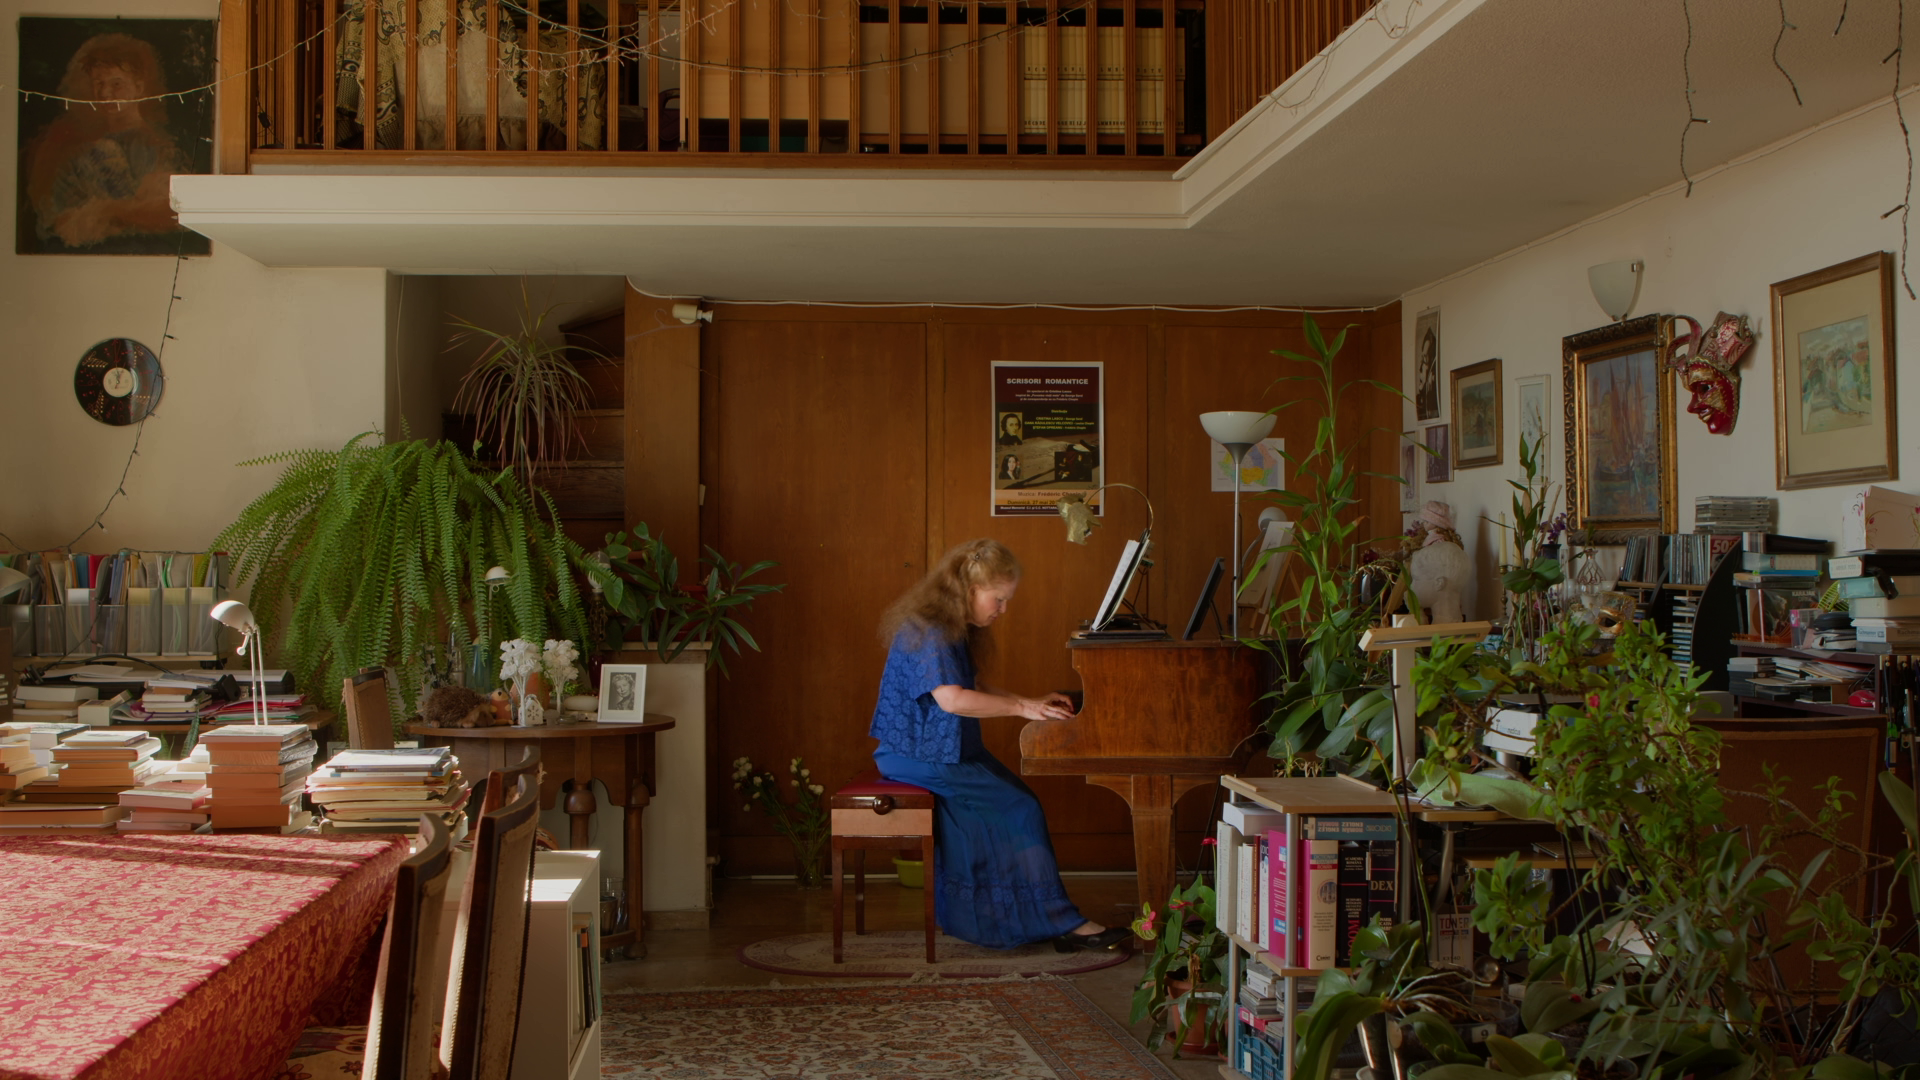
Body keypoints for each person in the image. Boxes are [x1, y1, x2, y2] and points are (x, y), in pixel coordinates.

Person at [868, 538, 1130, 952]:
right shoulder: (930, 629)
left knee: (1006, 809)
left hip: (942, 751)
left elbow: (969, 685)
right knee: (1020, 807)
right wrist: (1021, 707)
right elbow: (951, 699)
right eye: (999, 599)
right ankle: (1062, 923)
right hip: (917, 755)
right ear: (970, 590)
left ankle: (1002, 920)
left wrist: (1030, 700)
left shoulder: (948, 623)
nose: (1002, 609)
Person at [23, 33, 186, 251]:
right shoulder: (81, 152)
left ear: (139, 87)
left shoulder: (160, 147)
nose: (106, 93)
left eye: (116, 83)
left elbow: (170, 213)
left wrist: (110, 212)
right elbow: (59, 219)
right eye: (99, 83)